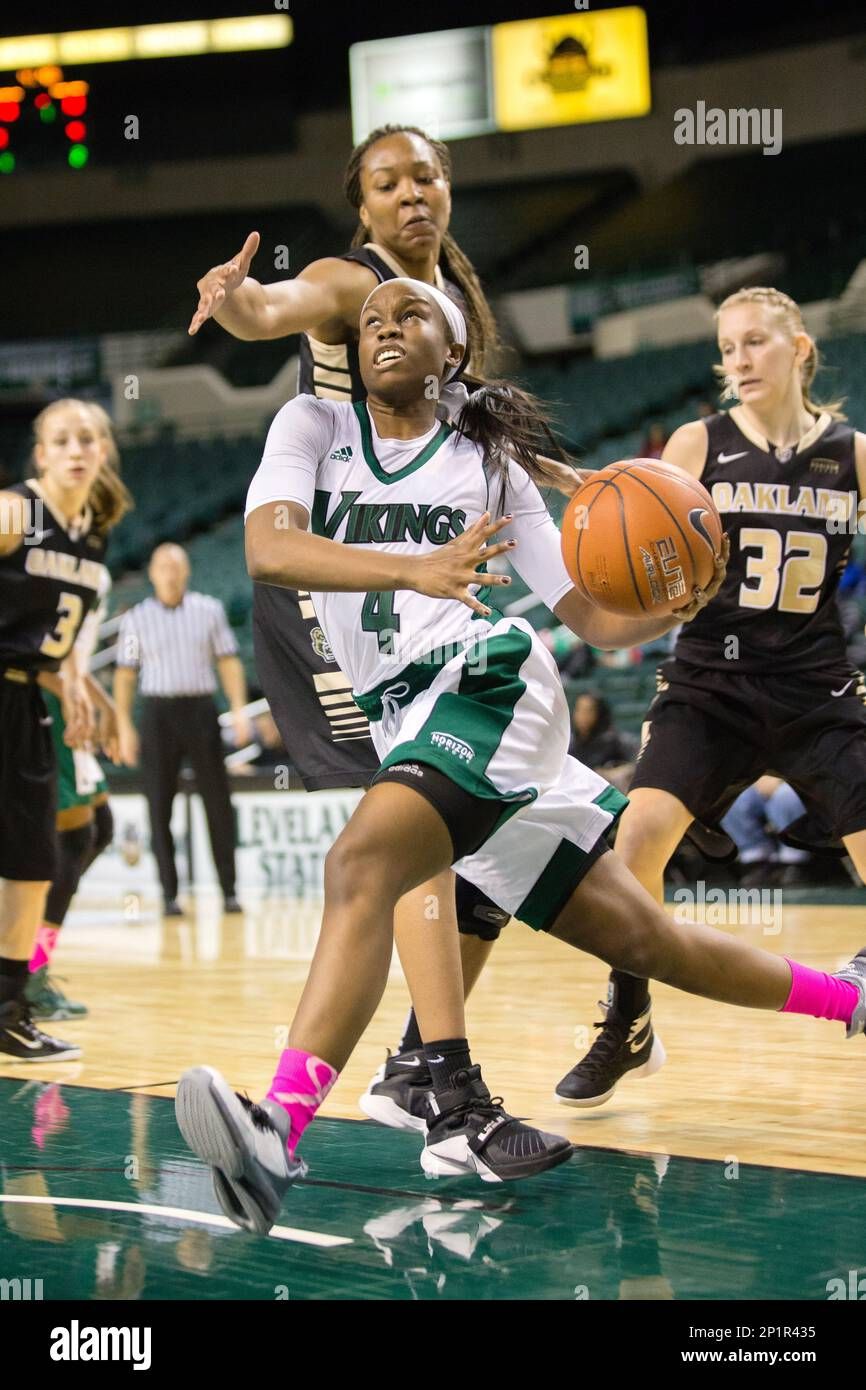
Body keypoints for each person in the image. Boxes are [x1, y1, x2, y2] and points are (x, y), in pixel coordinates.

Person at [175, 279, 866, 1234]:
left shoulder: (488, 462)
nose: (383, 324)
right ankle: (850, 998)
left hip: (485, 681)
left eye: (411, 315)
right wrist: (414, 567)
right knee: (643, 939)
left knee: (361, 865)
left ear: (453, 353)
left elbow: (588, 614)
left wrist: (675, 601)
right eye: (370, 316)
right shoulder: (310, 424)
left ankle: (276, 1131)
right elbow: (268, 550)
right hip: (406, 718)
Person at [188, 123, 571, 1124]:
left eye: (426, 177)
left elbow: (469, 424)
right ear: (360, 207)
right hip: (337, 580)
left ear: (447, 189)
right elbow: (282, 305)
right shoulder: (353, 282)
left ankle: (425, 1071)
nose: (411, 195)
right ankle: (437, 1081)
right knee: (403, 826)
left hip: (410, 580)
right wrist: (239, 303)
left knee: (449, 828)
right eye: (387, 183)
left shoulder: (449, 309)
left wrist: (559, 477)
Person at [559, 284, 866, 1106]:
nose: (739, 360)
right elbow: (648, 544)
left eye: (757, 342)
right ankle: (628, 1023)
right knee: (636, 846)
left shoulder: (852, 452)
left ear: (800, 348)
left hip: (815, 685)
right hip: (709, 685)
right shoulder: (700, 441)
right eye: (728, 347)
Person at [0, 398, 125, 1060]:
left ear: (102, 452)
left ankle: (7, 1009)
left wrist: (78, 685)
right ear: (41, 454)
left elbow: (51, 636)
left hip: (26, 704)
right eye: (62, 440)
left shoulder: (92, 533)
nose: (77, 449)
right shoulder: (15, 510)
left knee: (31, 862)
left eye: (88, 438)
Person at [113, 544, 248, 916]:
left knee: (218, 803)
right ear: (152, 574)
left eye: (176, 566)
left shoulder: (210, 610)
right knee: (159, 805)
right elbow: (125, 675)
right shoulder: (135, 619)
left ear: (187, 572)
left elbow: (229, 661)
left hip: (201, 710)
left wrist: (237, 710)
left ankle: (229, 890)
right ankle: (169, 894)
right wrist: (123, 724)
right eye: (162, 567)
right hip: (157, 713)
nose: (170, 573)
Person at [568, 691, 637, 789]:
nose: (583, 716)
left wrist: (610, 774)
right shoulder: (570, 744)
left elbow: (635, 766)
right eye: (579, 710)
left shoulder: (616, 741)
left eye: (588, 711)